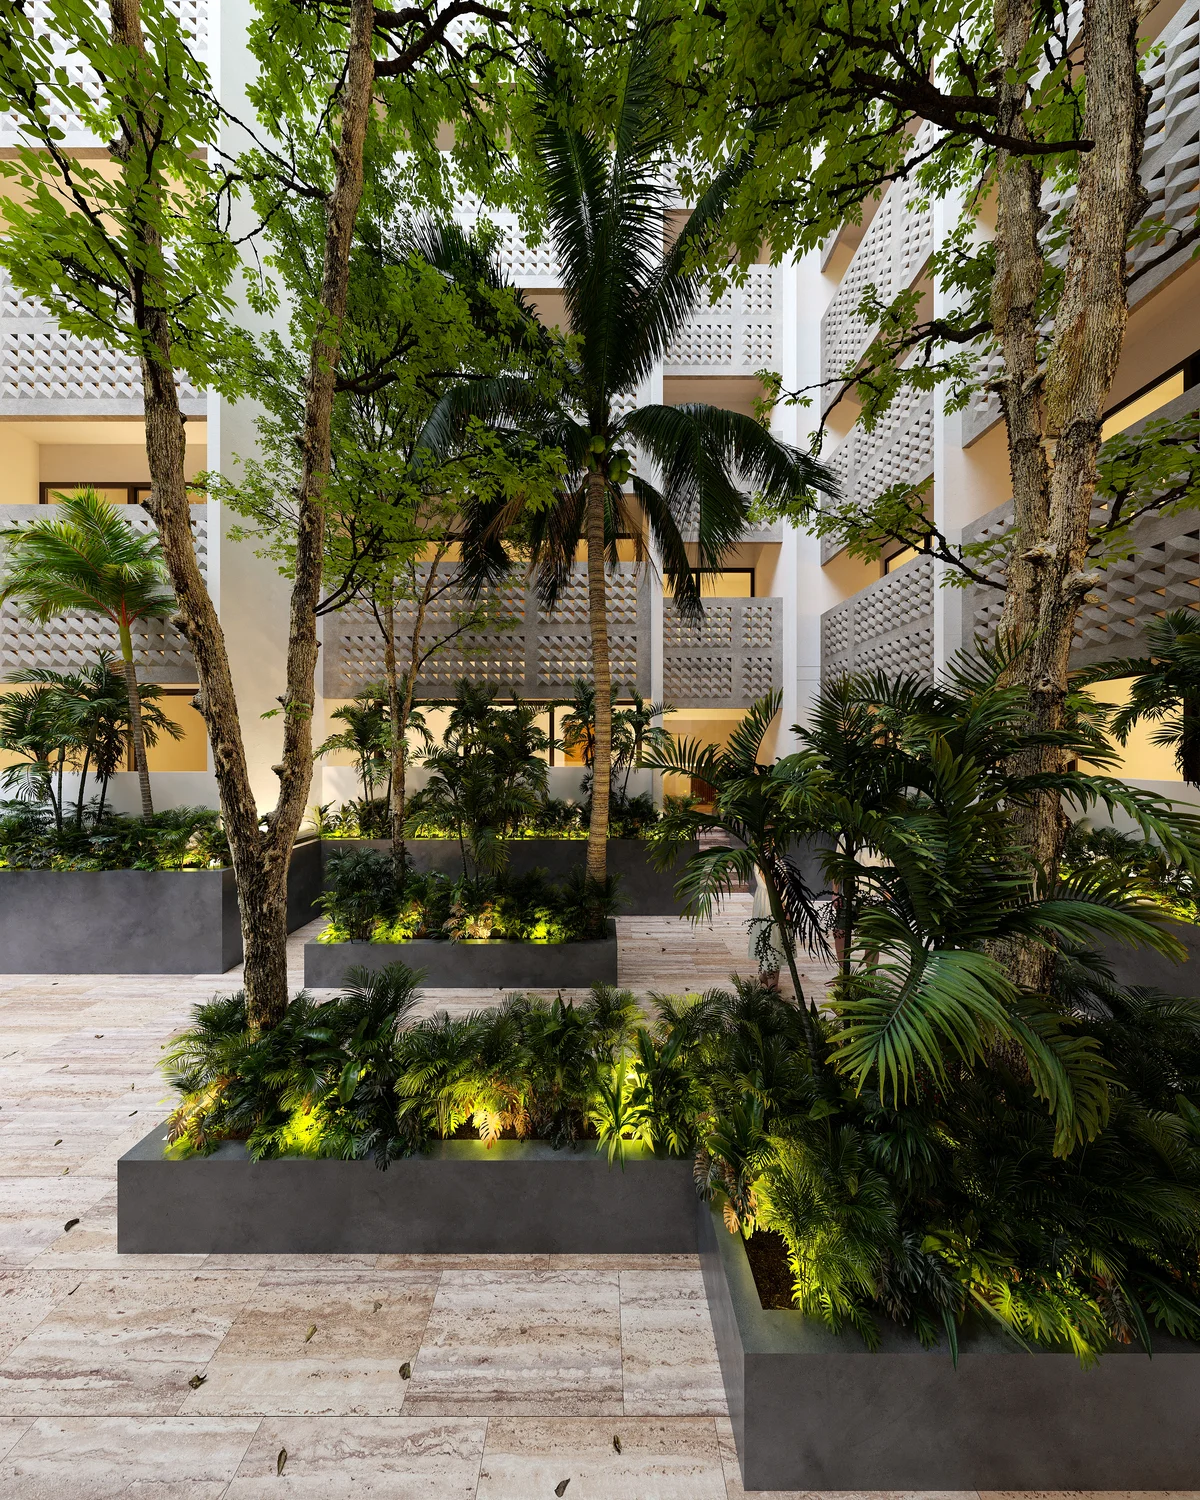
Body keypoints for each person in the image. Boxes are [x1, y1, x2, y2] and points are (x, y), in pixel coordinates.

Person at [748, 865, 785, 991]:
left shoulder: (771, 853)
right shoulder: (763, 857)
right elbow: (769, 882)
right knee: (773, 940)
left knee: (773, 939)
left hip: (771, 897)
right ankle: (772, 985)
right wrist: (782, 903)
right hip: (770, 900)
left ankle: (766, 976)